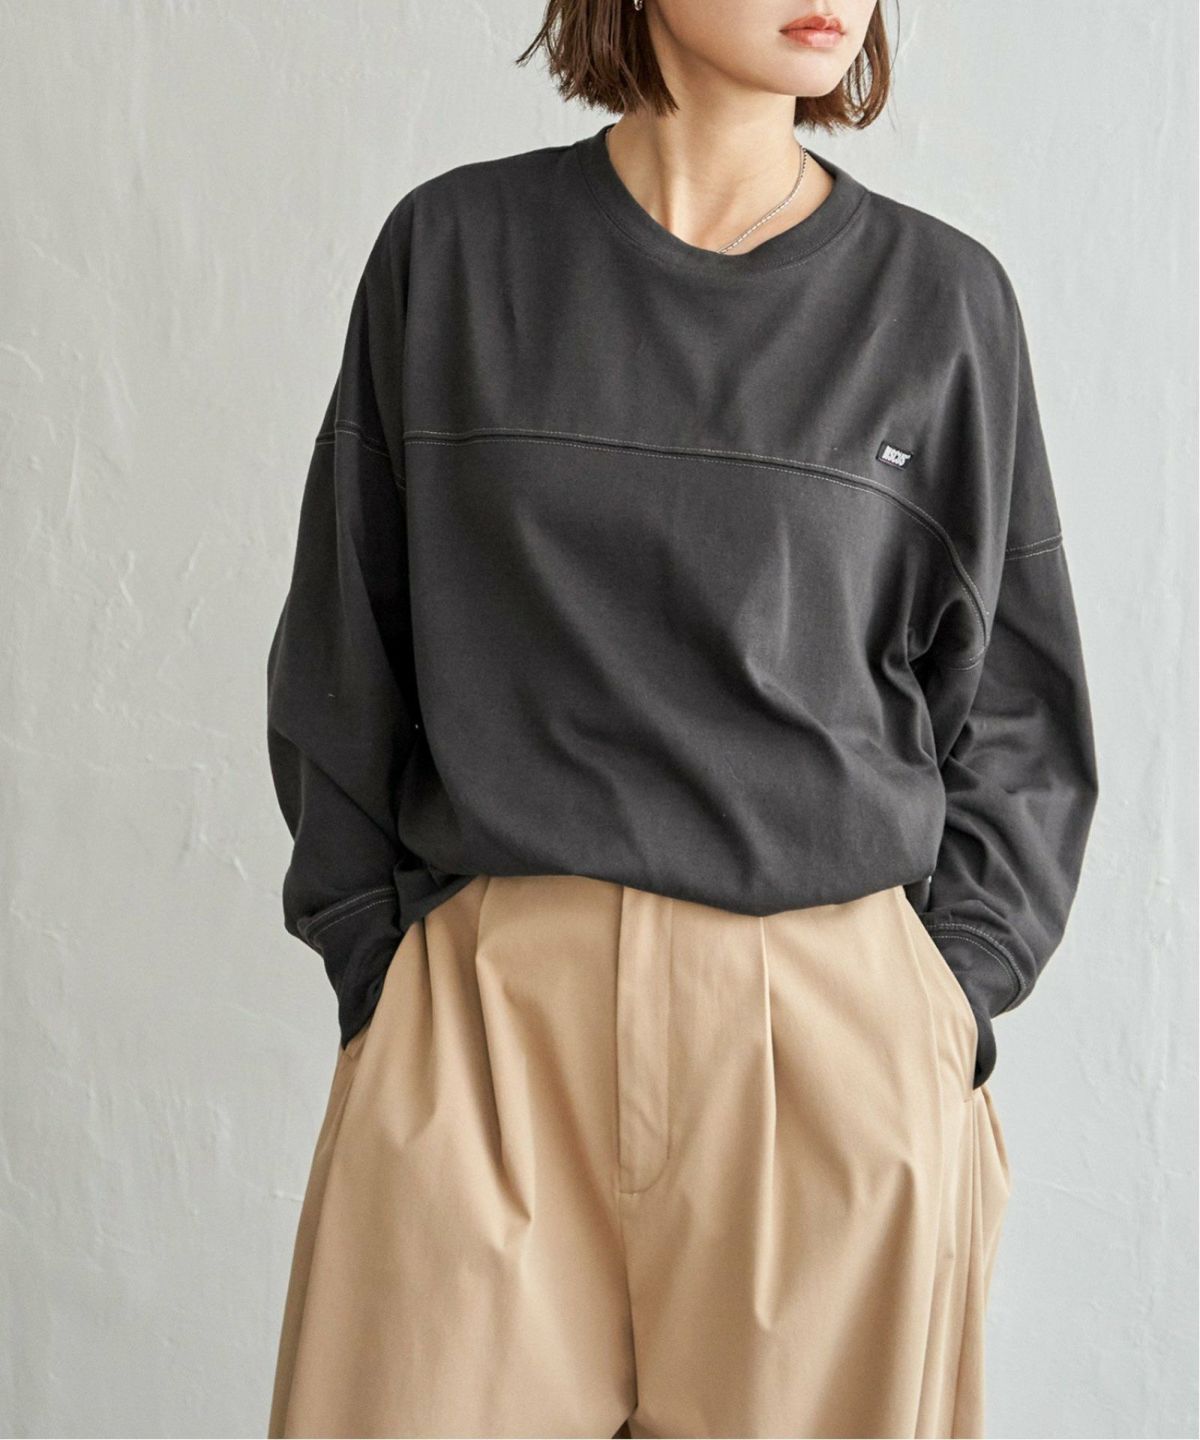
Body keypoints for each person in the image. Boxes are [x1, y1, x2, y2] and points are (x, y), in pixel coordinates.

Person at [264, 1, 1099, 1435]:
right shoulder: (453, 255)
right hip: (487, 1037)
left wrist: (939, 1008)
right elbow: (348, 644)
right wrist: (379, 977)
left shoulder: (940, 303)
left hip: (830, 1054)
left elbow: (1018, 713)